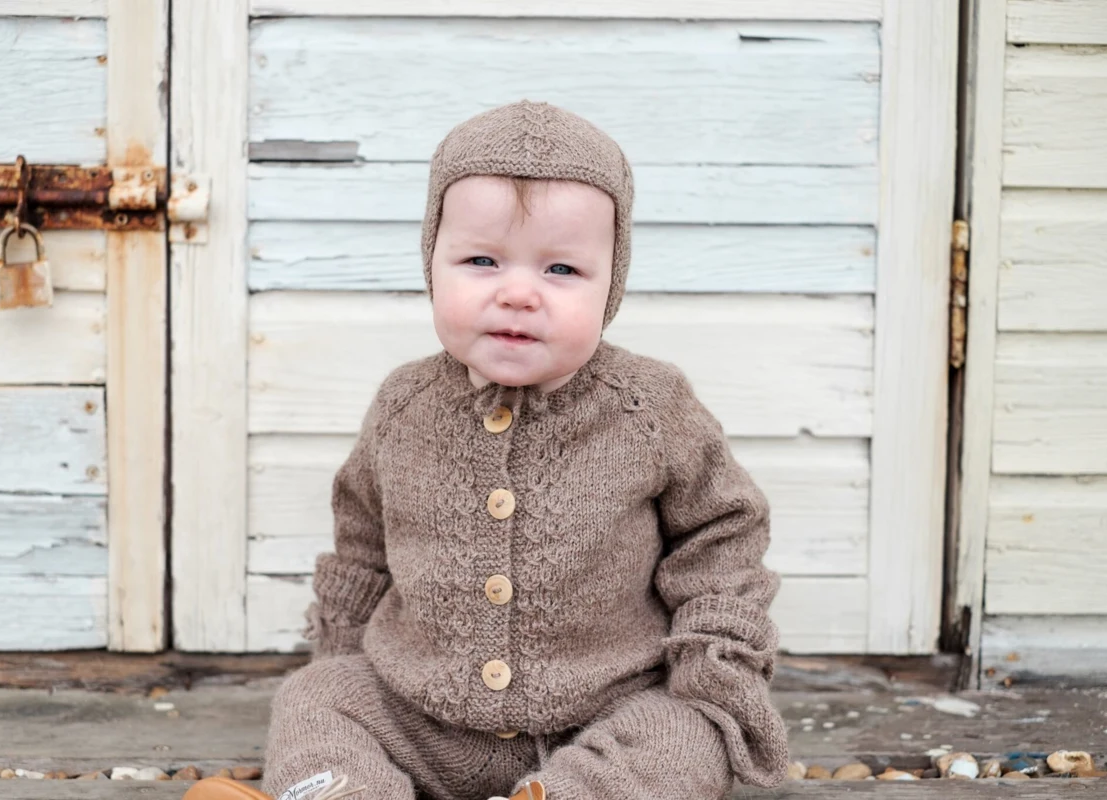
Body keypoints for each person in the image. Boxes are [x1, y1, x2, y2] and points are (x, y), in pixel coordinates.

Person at [188, 100, 789, 800]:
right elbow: (362, 549)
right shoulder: (404, 405)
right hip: (421, 716)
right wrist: (342, 656)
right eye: (481, 261)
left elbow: (722, 534)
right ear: (432, 264)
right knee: (315, 697)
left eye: (561, 269)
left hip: (602, 713)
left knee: (684, 735)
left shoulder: (648, 407)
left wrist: (713, 664)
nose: (518, 293)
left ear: (612, 284)